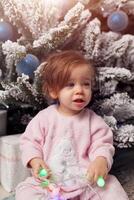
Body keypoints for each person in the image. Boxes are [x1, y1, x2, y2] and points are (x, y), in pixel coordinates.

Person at [16, 50, 128, 200]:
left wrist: (101, 160)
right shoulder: (44, 118)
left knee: (111, 187)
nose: (80, 90)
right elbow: (29, 142)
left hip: (86, 182)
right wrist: (35, 160)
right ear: (54, 91)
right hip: (49, 182)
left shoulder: (93, 121)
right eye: (70, 85)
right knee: (25, 192)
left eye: (86, 84)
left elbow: (102, 144)